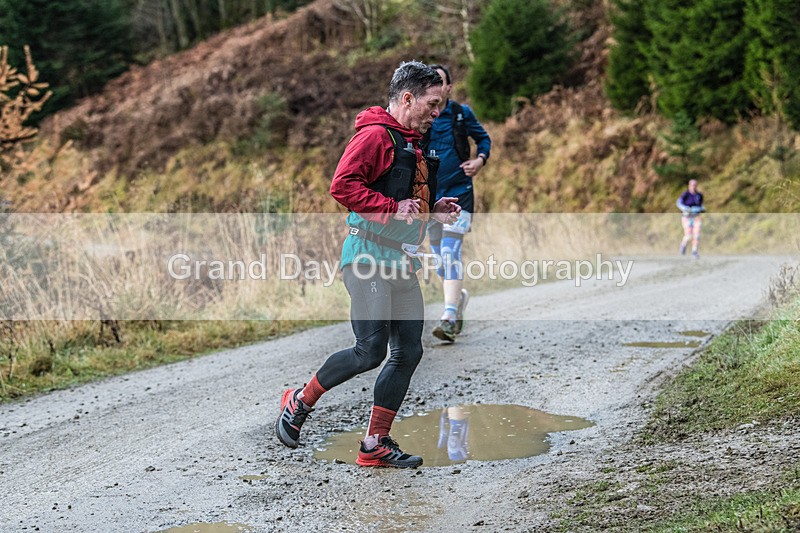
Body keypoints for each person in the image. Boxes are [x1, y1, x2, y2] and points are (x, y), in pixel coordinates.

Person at [275, 61, 460, 469]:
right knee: (369, 350)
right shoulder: (376, 135)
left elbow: (406, 201)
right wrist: (393, 208)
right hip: (366, 257)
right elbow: (342, 185)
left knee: (409, 351)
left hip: (400, 262)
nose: (437, 112)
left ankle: (375, 443)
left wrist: (434, 210)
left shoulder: (412, 142)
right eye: (432, 104)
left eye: (441, 105)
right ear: (407, 98)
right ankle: (299, 401)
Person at [424, 64, 491, 343]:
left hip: (460, 194)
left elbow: (484, 139)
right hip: (431, 199)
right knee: (441, 263)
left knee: (450, 254)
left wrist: (479, 160)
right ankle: (459, 297)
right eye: (430, 83)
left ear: (449, 87)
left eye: (440, 82)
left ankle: (449, 317)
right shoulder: (422, 115)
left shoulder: (462, 114)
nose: (436, 87)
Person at [676, 178, 705, 258]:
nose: (694, 187)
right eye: (692, 185)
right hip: (687, 217)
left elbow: (701, 205)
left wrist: (702, 209)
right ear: (689, 186)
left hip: (696, 217)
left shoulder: (699, 195)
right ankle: (683, 245)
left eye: (695, 185)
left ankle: (694, 251)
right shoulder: (685, 194)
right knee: (689, 235)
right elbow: (679, 203)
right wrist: (686, 209)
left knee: (697, 235)